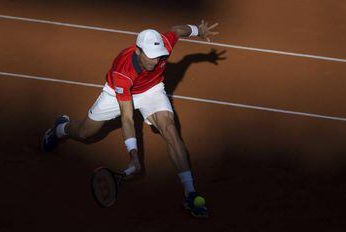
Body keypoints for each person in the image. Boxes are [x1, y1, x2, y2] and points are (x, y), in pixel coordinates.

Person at [42, 20, 219, 218]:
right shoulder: (123, 72)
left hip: (151, 90)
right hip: (117, 92)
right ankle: (60, 129)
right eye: (150, 57)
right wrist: (133, 154)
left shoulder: (163, 47)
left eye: (157, 56)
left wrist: (198, 31)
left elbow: (177, 31)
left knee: (169, 129)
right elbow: (127, 117)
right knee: (85, 132)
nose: (154, 61)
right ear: (138, 51)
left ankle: (190, 192)